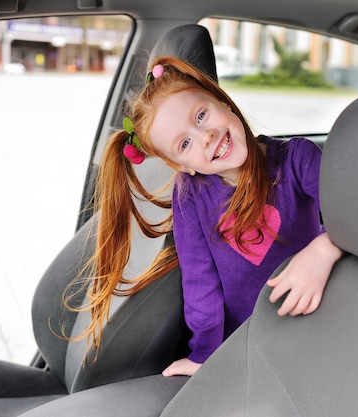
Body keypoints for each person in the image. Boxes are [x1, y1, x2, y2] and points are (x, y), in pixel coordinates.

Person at [67, 56, 343, 377]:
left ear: (223, 101)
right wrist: (204, 357)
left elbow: (356, 212)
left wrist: (325, 248)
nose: (206, 136)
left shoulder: (299, 159)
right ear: (183, 165)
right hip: (246, 344)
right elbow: (200, 284)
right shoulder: (190, 196)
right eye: (185, 143)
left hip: (312, 322)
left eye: (201, 115)